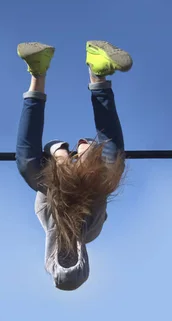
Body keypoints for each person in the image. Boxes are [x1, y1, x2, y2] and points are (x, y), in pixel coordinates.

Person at [16, 40, 132, 291]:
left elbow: (45, 188)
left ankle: (38, 72)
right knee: (113, 166)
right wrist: (86, 154)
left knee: (28, 167)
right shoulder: (92, 230)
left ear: (53, 257)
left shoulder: (46, 219)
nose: (68, 251)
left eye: (62, 259)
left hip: (55, 167)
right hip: (88, 166)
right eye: (73, 259)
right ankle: (97, 72)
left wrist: (59, 155)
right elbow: (99, 192)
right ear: (82, 257)